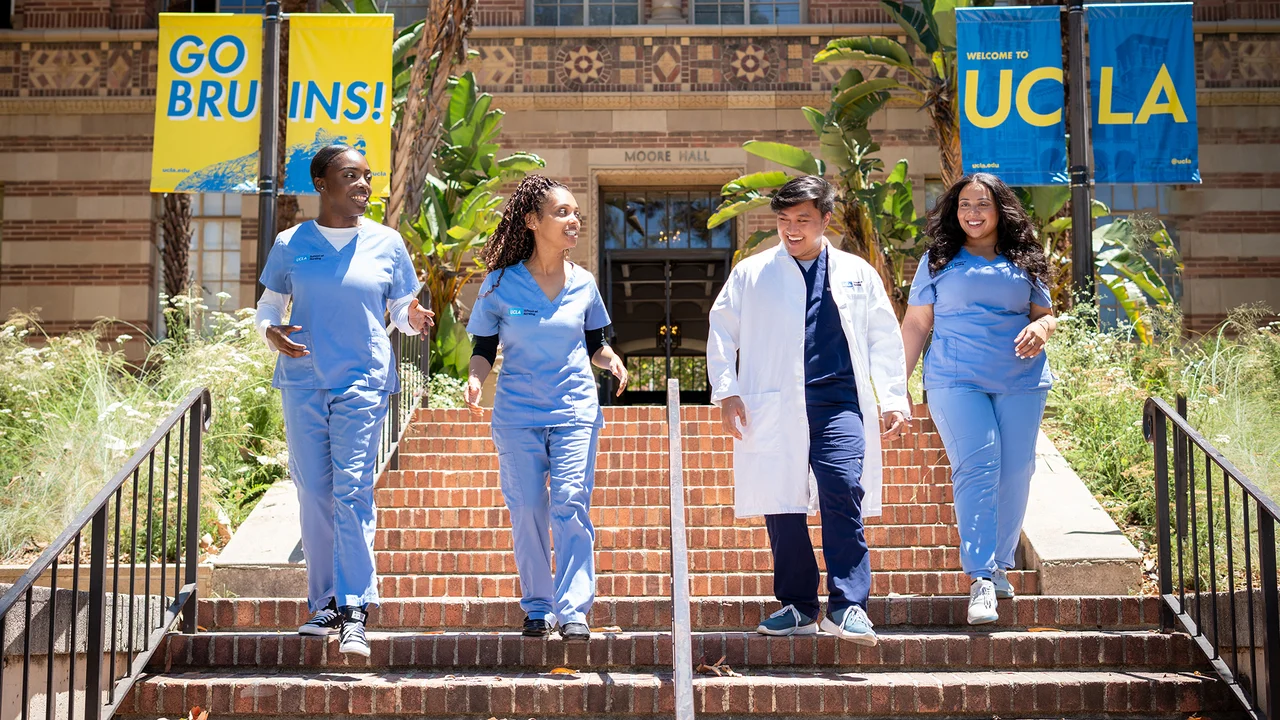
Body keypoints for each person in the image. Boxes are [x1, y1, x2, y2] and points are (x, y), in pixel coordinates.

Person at [707, 175, 910, 646]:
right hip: (775, 402)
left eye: (802, 220)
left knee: (843, 486)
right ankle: (798, 605)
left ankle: (848, 606)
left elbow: (883, 337)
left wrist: (894, 398)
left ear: (825, 220)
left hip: (839, 403)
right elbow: (722, 329)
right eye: (783, 220)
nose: (791, 230)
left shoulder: (857, 272)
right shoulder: (752, 272)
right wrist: (727, 390)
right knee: (782, 504)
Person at [255, 144, 433, 656]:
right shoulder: (291, 243)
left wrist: (412, 319)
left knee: (351, 489)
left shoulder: (387, 243)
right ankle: (324, 603)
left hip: (363, 378)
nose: (363, 185)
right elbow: (268, 304)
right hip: (303, 377)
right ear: (321, 184)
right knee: (313, 492)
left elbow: (399, 307)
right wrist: (270, 332)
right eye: (350, 176)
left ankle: (355, 607)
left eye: (367, 176)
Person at [462, 174, 629, 642]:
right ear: (533, 221)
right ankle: (538, 606)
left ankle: (574, 608)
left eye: (576, 212)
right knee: (529, 508)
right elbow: (483, 347)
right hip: (517, 414)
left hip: (574, 407)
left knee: (571, 502)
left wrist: (611, 359)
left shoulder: (585, 283)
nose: (573, 220)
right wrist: (476, 379)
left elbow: (596, 342)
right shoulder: (499, 284)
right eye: (562, 212)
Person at [900, 172, 1057, 626]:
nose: (972, 213)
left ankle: (1001, 565)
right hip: (955, 378)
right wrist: (896, 388)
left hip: (1021, 379)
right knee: (978, 465)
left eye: (981, 204)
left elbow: (1045, 314)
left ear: (999, 209)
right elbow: (915, 325)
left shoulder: (1025, 258)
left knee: (1016, 472)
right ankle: (981, 578)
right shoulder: (938, 259)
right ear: (954, 211)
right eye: (964, 204)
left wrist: (1041, 328)